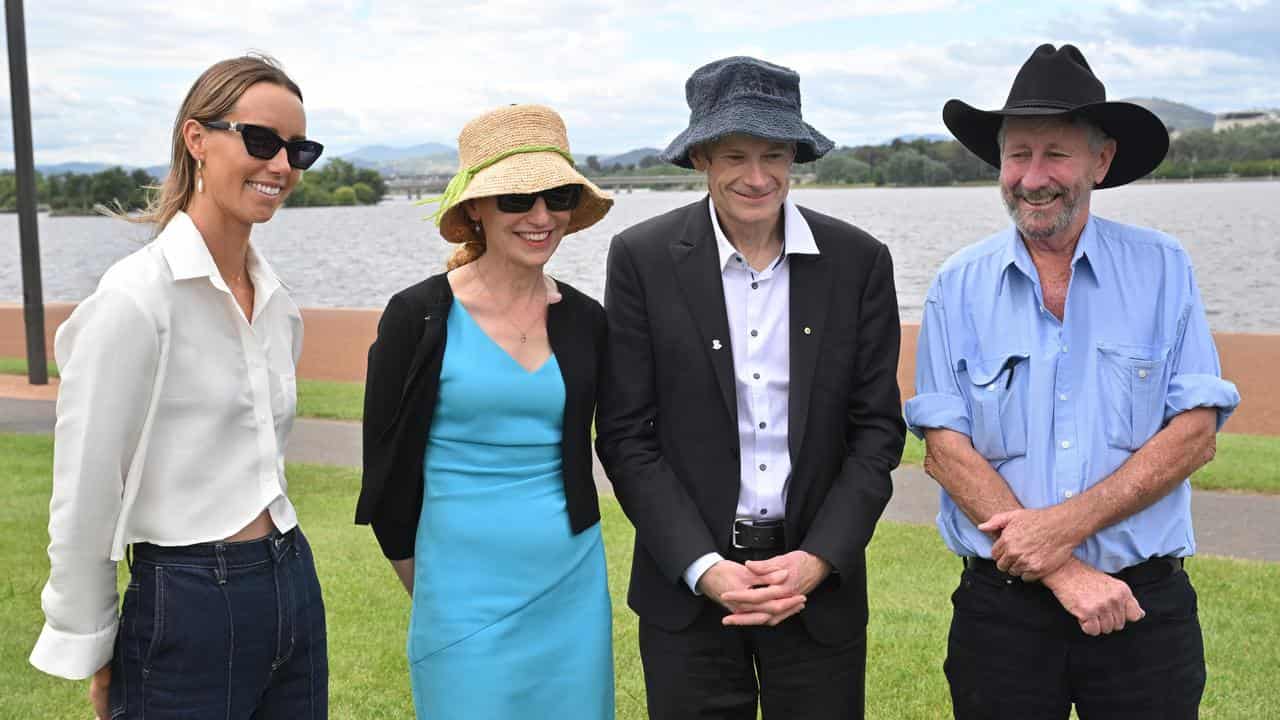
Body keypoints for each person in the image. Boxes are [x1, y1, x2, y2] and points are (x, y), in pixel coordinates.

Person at [905, 43, 1242, 719]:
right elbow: (946, 450)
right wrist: (1063, 570)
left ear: (1101, 160)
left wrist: (1059, 530)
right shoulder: (955, 287)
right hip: (1001, 618)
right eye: (1017, 153)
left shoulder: (1163, 269)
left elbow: (1194, 435)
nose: (1033, 177)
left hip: (1143, 611)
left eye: (1055, 153)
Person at [596, 56, 906, 719]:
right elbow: (626, 434)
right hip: (688, 593)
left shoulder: (860, 262)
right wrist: (704, 566)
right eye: (736, 155)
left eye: (774, 153)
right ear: (703, 158)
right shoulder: (640, 259)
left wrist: (820, 557)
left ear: (795, 156)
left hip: (816, 591)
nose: (758, 176)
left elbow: (877, 431)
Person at [29, 55, 328, 719]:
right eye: (260, 141)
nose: (281, 165)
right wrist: (93, 644)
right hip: (188, 598)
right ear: (197, 138)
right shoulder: (136, 300)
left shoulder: (277, 301)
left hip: (291, 579)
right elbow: (86, 487)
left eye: (298, 149)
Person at [356, 104, 615, 719]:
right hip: (458, 592)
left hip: (571, 586)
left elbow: (635, 437)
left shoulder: (587, 321)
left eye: (556, 196)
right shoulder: (417, 316)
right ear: (475, 207)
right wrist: (433, 589)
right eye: (517, 199)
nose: (541, 217)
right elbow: (385, 472)